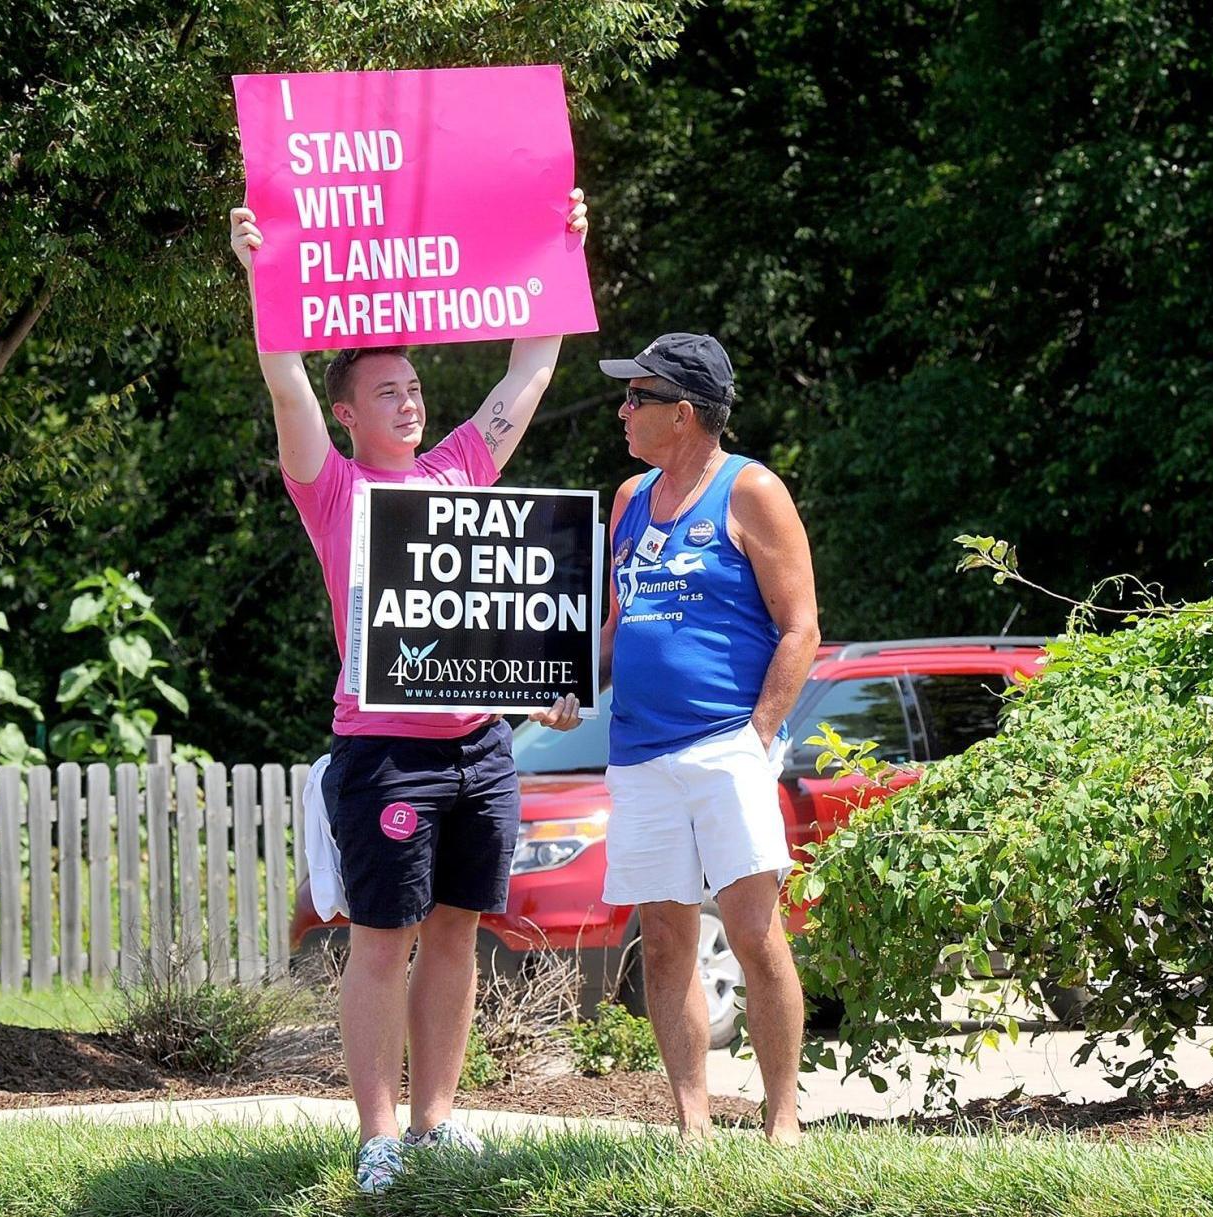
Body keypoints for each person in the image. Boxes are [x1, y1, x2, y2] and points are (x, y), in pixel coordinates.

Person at [228, 193, 585, 1194]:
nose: (410, 402)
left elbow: (531, 367)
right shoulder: (330, 488)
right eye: (387, 392)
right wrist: (265, 272)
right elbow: (282, 377)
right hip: (383, 754)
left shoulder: (466, 464)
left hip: (482, 750)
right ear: (350, 413)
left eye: (415, 386)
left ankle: (434, 1123)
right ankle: (376, 1134)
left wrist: (559, 249)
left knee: (460, 933)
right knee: (382, 943)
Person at [596, 333, 820, 1143]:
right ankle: (691, 1121)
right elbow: (615, 632)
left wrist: (756, 737)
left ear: (682, 413)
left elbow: (801, 628)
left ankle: (782, 1120)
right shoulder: (628, 498)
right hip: (640, 753)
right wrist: (556, 685)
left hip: (727, 742)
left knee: (756, 934)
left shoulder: (750, 489)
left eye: (636, 397)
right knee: (662, 940)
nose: (622, 410)